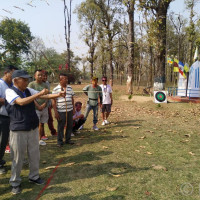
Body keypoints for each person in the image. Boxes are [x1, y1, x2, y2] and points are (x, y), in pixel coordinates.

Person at [5, 70, 65, 195]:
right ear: (16, 80)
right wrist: (38, 95)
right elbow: (21, 102)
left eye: (27, 79)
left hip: (32, 128)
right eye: (24, 79)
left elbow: (44, 96)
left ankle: (34, 176)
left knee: (34, 154)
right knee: (17, 158)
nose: (27, 82)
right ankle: (15, 182)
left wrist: (58, 95)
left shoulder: (28, 90)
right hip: (18, 130)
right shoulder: (9, 91)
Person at [0, 65, 18, 174]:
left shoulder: (12, 85)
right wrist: (9, 99)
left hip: (11, 116)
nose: (14, 76)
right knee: (2, 140)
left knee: (9, 140)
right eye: (13, 73)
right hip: (2, 117)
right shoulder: (0, 84)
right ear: (6, 73)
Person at [52, 73, 75, 147]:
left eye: (67, 79)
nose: (67, 80)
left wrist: (73, 108)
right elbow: (53, 101)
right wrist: (55, 112)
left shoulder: (70, 88)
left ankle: (68, 139)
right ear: (60, 80)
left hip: (70, 110)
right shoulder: (56, 89)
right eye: (65, 79)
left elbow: (72, 98)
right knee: (61, 126)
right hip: (61, 111)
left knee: (69, 125)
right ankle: (60, 141)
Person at [28, 70, 49, 145]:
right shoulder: (31, 84)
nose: (40, 76)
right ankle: (34, 139)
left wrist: (44, 104)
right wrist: (37, 105)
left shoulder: (45, 85)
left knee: (42, 123)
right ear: (35, 76)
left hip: (44, 107)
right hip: (35, 108)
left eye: (41, 75)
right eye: (38, 75)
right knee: (35, 124)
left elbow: (48, 96)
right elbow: (30, 96)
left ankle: (40, 139)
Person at [42, 70, 57, 136]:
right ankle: (42, 134)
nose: (45, 77)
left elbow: (49, 93)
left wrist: (50, 102)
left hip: (47, 104)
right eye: (43, 76)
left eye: (46, 76)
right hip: (41, 105)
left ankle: (53, 132)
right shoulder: (38, 83)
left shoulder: (47, 83)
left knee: (50, 119)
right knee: (41, 121)